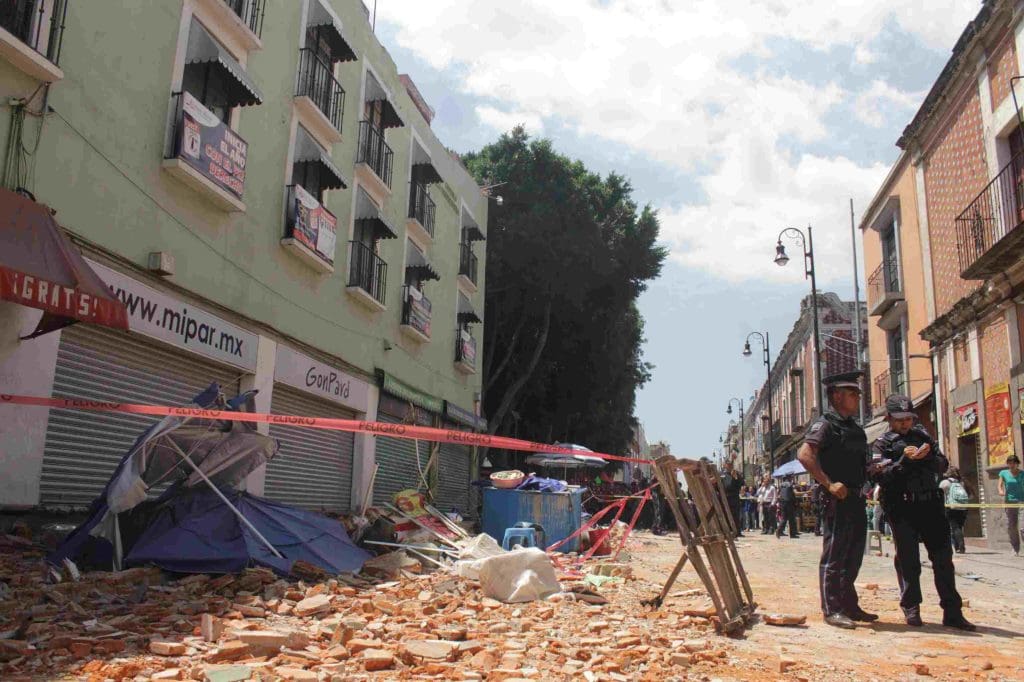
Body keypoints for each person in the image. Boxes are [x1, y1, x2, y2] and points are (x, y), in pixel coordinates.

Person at [870, 394, 974, 631]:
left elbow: (943, 464)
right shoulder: (883, 443)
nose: (905, 423)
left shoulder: (923, 436)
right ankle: (911, 607)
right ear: (889, 419)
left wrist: (927, 457)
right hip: (902, 507)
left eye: (908, 418)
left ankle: (952, 611)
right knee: (908, 561)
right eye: (900, 419)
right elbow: (878, 475)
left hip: (931, 505)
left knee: (943, 560)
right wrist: (903, 461)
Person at [797, 370, 874, 629]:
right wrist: (828, 483)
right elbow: (805, 455)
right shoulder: (825, 424)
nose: (858, 398)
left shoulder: (855, 429)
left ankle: (849, 605)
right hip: (836, 498)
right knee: (835, 555)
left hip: (856, 496)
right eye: (853, 393)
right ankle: (832, 609)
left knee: (854, 554)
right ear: (837, 396)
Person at [997, 454, 1024, 556]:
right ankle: (1015, 548)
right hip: (1009, 502)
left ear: (1017, 464)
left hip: (1022, 502)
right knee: (1012, 526)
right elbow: (999, 485)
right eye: (1010, 463)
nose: (1012, 465)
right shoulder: (1003, 473)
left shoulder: (1022, 474)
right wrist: (1000, 491)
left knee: (1023, 527)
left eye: (1014, 463)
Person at [939, 466, 969, 554]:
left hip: (951, 507)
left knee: (954, 527)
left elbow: (939, 493)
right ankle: (957, 547)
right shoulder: (962, 482)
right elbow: (970, 494)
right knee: (959, 527)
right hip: (963, 507)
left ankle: (961, 546)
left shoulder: (945, 483)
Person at [721, 464, 744, 537]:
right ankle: (728, 531)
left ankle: (737, 531)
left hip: (734, 497)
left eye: (730, 465)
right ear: (725, 466)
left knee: (736, 515)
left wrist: (736, 477)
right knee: (726, 515)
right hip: (725, 497)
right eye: (727, 465)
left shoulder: (736, 474)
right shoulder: (722, 475)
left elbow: (741, 484)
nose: (729, 467)